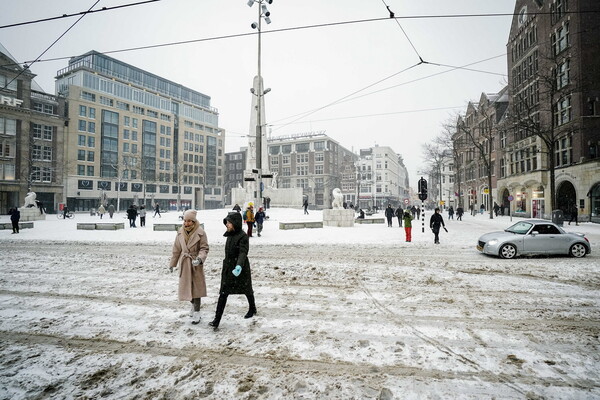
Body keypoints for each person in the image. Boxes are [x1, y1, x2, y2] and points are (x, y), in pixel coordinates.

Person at [209, 212, 256, 330]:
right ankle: (216, 320)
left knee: (247, 289)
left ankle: (252, 308)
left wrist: (239, 266)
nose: (227, 225)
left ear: (235, 223)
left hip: (240, 267)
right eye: (227, 223)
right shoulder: (229, 235)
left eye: (229, 223)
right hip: (228, 268)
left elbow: (243, 252)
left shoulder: (243, 236)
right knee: (223, 293)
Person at [169, 209, 209, 325]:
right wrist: (173, 263)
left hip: (195, 263)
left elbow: (204, 248)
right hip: (185, 264)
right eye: (185, 220)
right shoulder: (180, 232)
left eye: (189, 221)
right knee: (188, 287)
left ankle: (197, 312)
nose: (186, 223)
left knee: (197, 288)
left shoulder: (201, 232)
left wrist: (200, 259)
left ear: (194, 221)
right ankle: (192, 306)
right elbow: (176, 249)